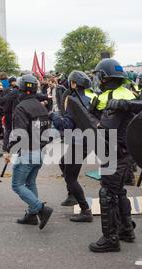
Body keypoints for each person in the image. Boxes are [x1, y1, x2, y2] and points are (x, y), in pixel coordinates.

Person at [88, 59, 139, 253]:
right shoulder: (128, 94)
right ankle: (126, 229)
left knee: (107, 193)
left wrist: (95, 122)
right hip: (125, 151)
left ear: (105, 78)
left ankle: (110, 239)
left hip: (115, 151)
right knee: (118, 192)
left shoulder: (110, 98)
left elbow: (103, 125)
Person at [4, 74, 54, 230]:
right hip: (39, 151)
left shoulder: (21, 107)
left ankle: (40, 209)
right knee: (30, 182)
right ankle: (32, 215)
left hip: (27, 152)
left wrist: (8, 150)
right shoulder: (41, 106)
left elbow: (19, 132)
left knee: (17, 185)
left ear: (21, 89)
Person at [50, 71, 95, 223]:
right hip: (88, 141)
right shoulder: (91, 98)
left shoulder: (73, 101)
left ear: (74, 84)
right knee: (63, 162)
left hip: (79, 143)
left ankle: (85, 210)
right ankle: (72, 195)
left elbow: (66, 125)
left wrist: (53, 117)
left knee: (70, 177)